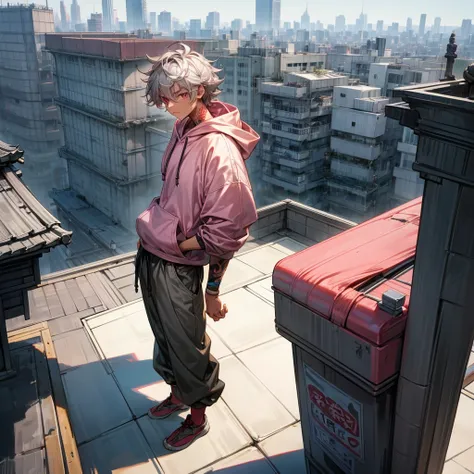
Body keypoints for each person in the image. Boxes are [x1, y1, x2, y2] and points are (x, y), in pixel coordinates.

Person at [134, 43, 259, 452]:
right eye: (163, 97)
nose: (167, 104)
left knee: (188, 345)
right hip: (154, 252)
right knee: (165, 336)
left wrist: (211, 289)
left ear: (200, 90)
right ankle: (177, 393)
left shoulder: (219, 150)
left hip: (177, 262)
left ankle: (198, 415)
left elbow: (228, 229)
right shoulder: (183, 128)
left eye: (176, 95)